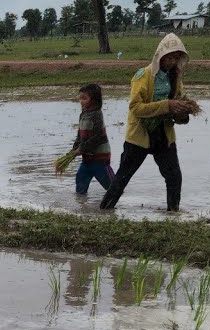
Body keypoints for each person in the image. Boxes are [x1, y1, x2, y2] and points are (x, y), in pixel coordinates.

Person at [100, 34, 196, 212]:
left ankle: (173, 213)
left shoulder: (175, 79)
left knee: (174, 177)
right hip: (140, 136)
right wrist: (167, 105)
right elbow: (136, 108)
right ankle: (104, 211)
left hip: (163, 135)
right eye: (168, 57)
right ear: (160, 55)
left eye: (176, 58)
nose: (171, 62)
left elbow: (176, 108)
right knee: (123, 177)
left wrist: (183, 112)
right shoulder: (143, 76)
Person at [65, 83, 114, 197]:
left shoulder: (97, 114)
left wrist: (81, 149)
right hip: (87, 158)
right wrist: (74, 150)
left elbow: (96, 137)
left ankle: (116, 201)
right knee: (80, 180)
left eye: (84, 98)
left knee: (112, 187)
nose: (81, 101)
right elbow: (79, 135)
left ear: (94, 100)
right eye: (80, 98)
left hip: (100, 158)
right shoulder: (83, 114)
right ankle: (82, 204)